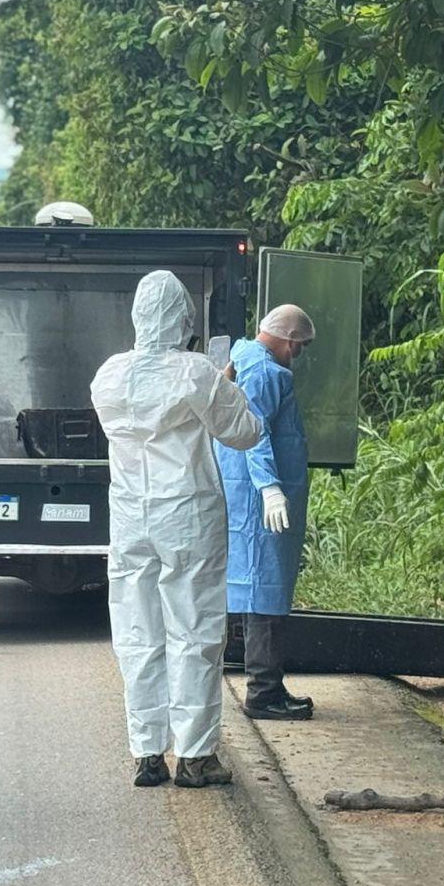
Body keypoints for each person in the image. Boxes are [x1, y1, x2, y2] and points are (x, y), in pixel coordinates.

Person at [90, 271, 263, 788]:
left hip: (129, 515)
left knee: (137, 632)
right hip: (186, 514)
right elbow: (245, 432)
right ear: (185, 319)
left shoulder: (108, 375)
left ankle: (147, 753)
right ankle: (195, 755)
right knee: (194, 632)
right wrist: (225, 384)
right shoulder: (196, 372)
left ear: (138, 316)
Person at [217, 304, 317, 721]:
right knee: (265, 592)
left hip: (246, 496)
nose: (298, 354)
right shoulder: (265, 372)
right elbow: (256, 435)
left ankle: (266, 686)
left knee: (254, 587)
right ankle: (264, 692)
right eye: (300, 346)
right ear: (289, 340)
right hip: (260, 499)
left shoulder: (243, 359)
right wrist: (271, 488)